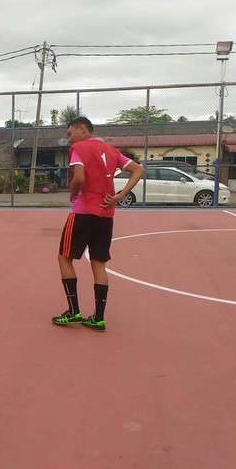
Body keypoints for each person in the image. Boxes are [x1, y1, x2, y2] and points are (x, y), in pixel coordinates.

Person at [51, 117, 144, 332]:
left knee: (64, 258)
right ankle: (98, 318)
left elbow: (79, 178)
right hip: (106, 213)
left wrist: (73, 193)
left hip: (83, 211)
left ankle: (73, 311)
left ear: (82, 129)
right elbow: (138, 170)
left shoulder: (79, 149)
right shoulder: (111, 151)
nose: (69, 139)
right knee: (99, 263)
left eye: (70, 133)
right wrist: (120, 195)